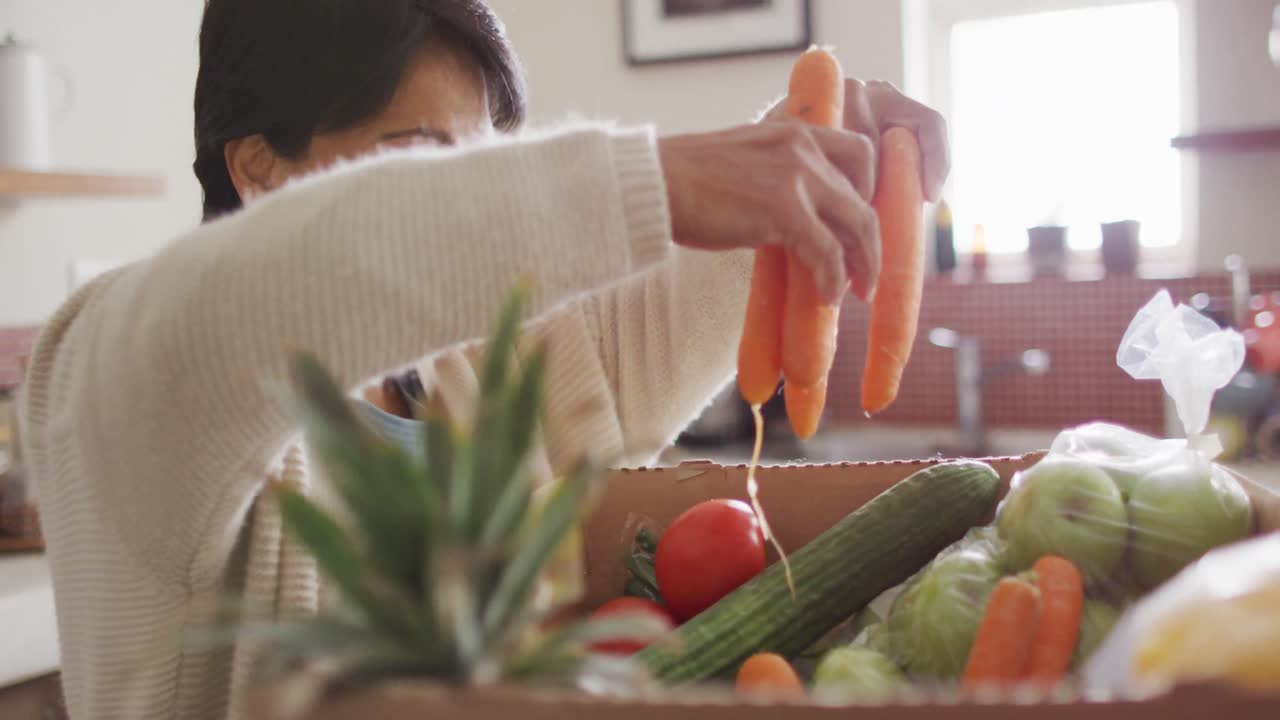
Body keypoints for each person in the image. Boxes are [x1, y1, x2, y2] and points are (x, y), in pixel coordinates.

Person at [18, 1, 950, 718]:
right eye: (423, 163)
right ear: (258, 164)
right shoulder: (122, 379)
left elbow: (697, 286)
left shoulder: (482, 370)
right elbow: (246, 294)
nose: (463, 190)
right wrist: (651, 180)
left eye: (481, 157)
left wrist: (828, 138)